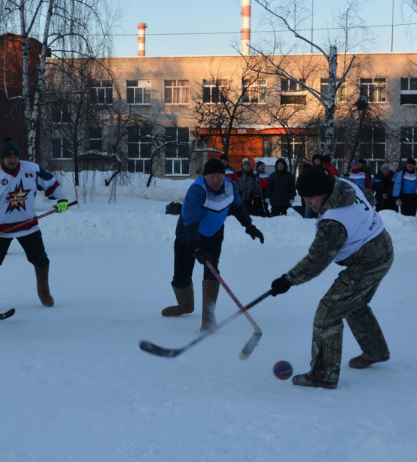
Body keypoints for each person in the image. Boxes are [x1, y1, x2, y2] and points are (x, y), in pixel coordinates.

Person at [268, 168, 392, 390]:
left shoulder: (333, 221)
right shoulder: (344, 185)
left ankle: (323, 374)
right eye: (304, 198)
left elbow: (317, 261)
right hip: (382, 248)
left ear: (325, 192)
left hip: (367, 262)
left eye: (311, 198)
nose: (307, 203)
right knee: (353, 303)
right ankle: (376, 350)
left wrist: (287, 280)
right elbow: (370, 197)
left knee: (327, 312)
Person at [163, 158, 264, 332]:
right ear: (205, 177)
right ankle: (186, 305)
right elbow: (191, 222)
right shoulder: (197, 191)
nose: (216, 181)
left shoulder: (230, 187)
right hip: (188, 234)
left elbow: (238, 207)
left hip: (214, 234)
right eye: (212, 177)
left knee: (212, 271)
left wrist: (249, 226)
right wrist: (196, 247)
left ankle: (208, 318)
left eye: (219, 176)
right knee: (181, 275)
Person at [0, 138, 69, 311]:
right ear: (2, 158)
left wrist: (61, 199)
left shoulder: (31, 169)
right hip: (1, 229)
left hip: (28, 226)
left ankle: (44, 292)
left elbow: (50, 183)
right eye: (8, 157)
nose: (12, 160)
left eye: (15, 156)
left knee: (41, 260)